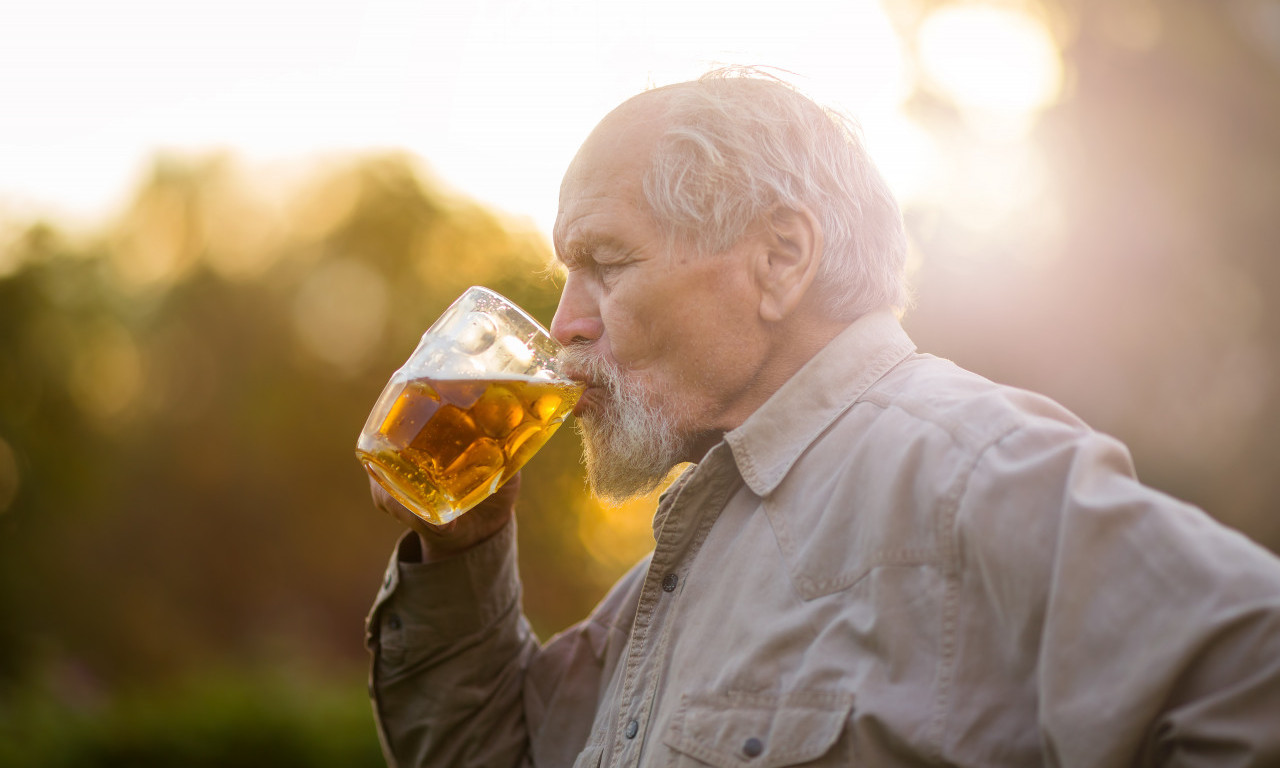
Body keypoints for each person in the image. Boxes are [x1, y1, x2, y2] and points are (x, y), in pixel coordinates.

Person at [364, 70, 1280, 767]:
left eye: (606, 261)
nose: (566, 323)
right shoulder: (682, 564)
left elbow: (1253, 665)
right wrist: (465, 544)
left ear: (779, 258)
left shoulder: (961, 467)